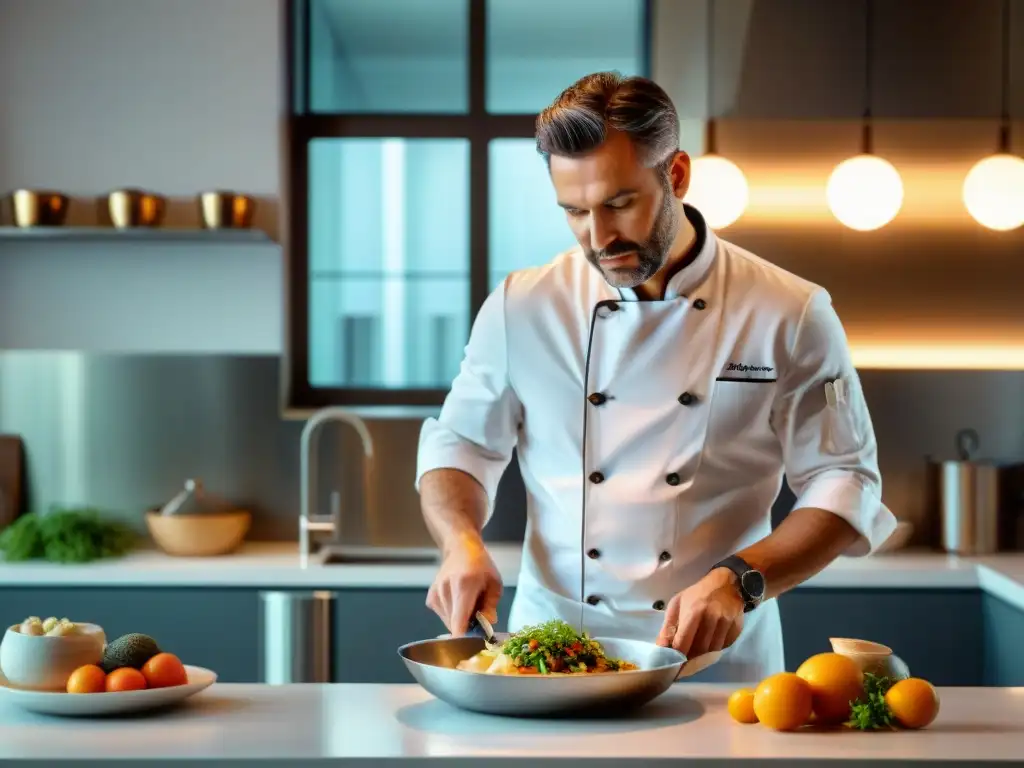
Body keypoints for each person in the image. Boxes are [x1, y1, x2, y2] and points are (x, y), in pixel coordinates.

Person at [414, 71, 896, 683]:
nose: (599, 237)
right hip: (547, 663)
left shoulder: (788, 312)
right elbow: (461, 446)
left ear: (677, 176)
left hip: (716, 664)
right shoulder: (522, 306)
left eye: (619, 204)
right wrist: (461, 541)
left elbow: (843, 480)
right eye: (574, 212)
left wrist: (739, 581)